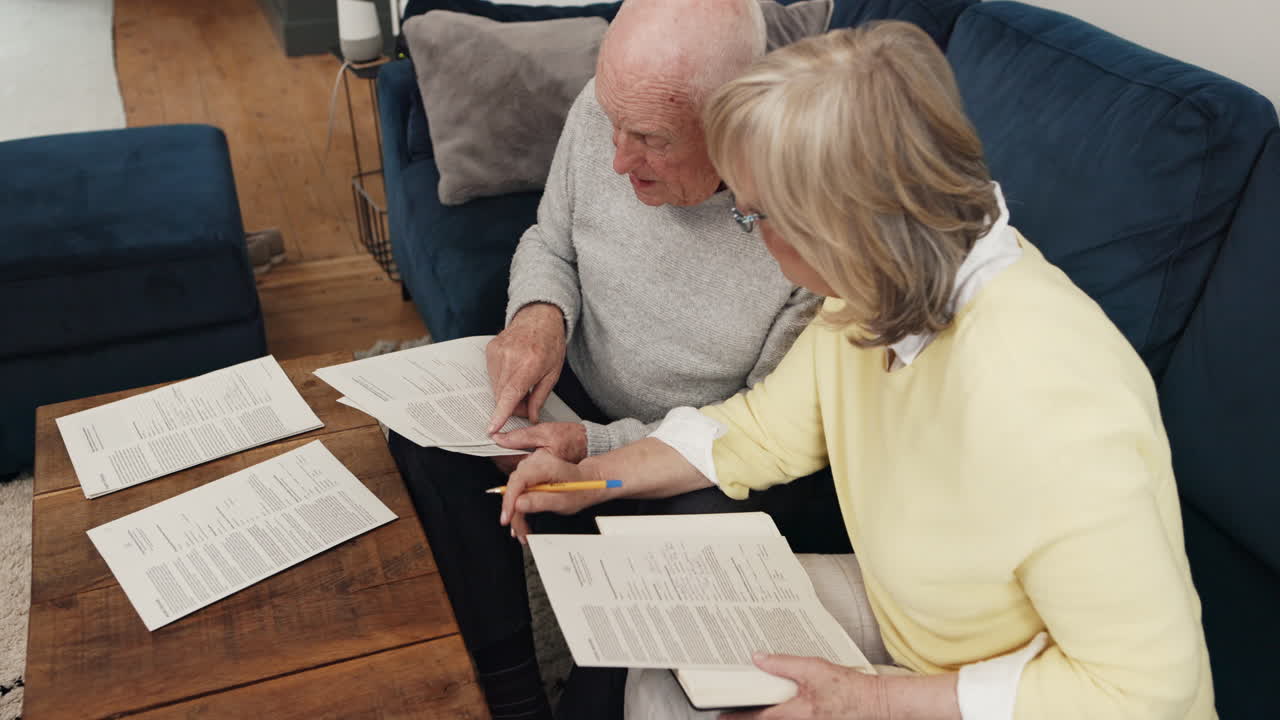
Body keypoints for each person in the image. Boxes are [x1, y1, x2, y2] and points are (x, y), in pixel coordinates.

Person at [500, 22, 1216, 720]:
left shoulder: (1047, 397)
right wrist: (593, 476)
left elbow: (1145, 693)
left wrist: (871, 701)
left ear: (836, 226)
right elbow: (757, 432)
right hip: (917, 618)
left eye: (753, 218)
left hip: (1018, 686)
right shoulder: (871, 292)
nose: (750, 237)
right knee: (662, 650)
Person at [387, 2, 838, 719]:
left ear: (735, 122)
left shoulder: (800, 228)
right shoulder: (606, 115)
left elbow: (753, 429)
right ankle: (510, 689)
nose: (617, 158)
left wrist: (595, 450)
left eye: (651, 140)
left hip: (692, 454)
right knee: (424, 440)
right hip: (574, 392)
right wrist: (539, 314)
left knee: (676, 558)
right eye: (611, 121)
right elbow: (549, 241)